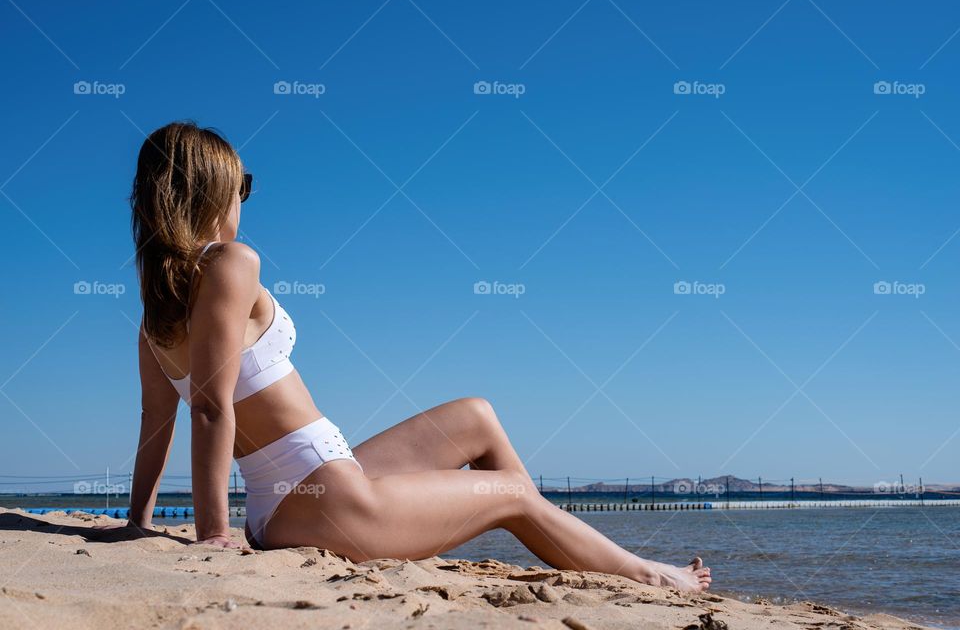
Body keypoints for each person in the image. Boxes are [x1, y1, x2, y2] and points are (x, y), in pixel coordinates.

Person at [125, 121, 711, 592]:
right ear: (210, 192)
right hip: (319, 502)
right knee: (506, 491)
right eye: (241, 186)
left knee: (476, 416)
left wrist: (137, 524)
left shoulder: (156, 319)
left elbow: (157, 424)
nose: (244, 200)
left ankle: (555, 534)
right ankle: (647, 574)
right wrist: (213, 533)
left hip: (311, 486)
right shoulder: (231, 262)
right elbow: (207, 408)